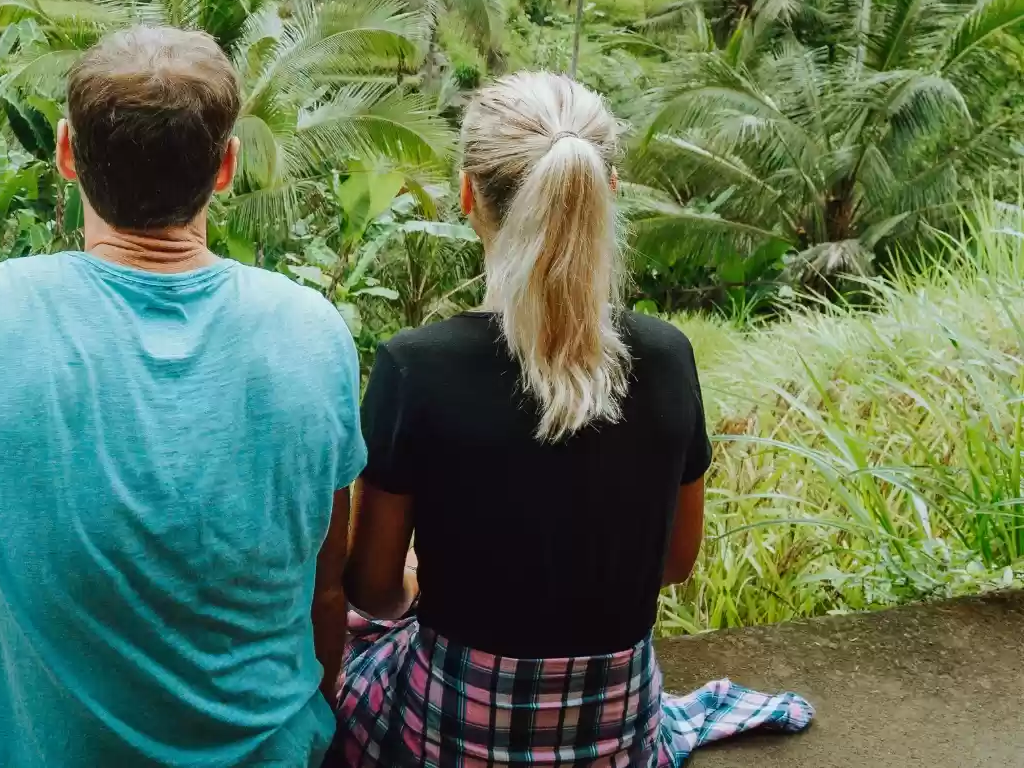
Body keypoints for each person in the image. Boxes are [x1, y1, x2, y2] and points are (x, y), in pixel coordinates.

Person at [0, 26, 365, 768]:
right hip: (277, 752)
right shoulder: (316, 331)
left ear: (65, 152)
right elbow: (324, 590)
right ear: (225, 167)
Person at [330, 72, 812, 768]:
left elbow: (372, 591)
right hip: (617, 731)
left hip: (455, 733)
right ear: (606, 191)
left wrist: (414, 577)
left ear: (468, 195)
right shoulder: (666, 357)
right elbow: (675, 562)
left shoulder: (416, 367)